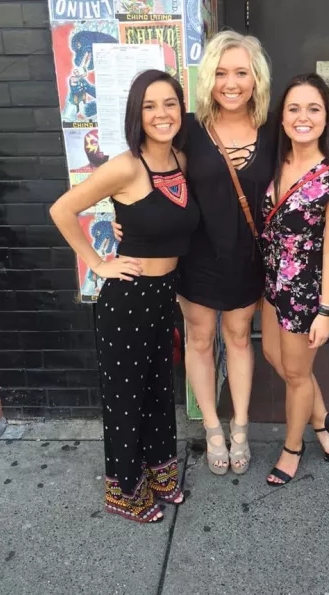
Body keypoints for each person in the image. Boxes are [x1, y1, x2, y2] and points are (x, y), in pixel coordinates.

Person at [114, 30, 273, 476]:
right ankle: (213, 429)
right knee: (200, 340)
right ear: (208, 79)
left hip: (247, 258)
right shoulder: (188, 127)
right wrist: (124, 218)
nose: (231, 83)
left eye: (241, 72)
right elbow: (144, 169)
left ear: (256, 78)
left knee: (239, 339)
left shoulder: (273, 129)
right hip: (196, 255)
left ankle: (240, 426)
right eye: (220, 73)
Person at [50, 70, 200, 522]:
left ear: (181, 109)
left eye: (169, 103)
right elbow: (62, 209)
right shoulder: (126, 166)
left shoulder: (181, 159)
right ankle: (124, 491)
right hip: (128, 299)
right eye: (149, 106)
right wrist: (98, 263)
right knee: (126, 397)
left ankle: (159, 473)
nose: (161, 114)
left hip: (163, 295)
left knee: (158, 390)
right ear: (137, 114)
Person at [261, 73, 329, 486]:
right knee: (274, 356)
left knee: (297, 375)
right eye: (294, 109)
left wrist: (326, 311)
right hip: (271, 284)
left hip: (305, 294)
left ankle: (292, 448)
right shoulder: (275, 163)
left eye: (313, 109)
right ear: (282, 118)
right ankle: (323, 419)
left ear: (326, 117)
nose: (303, 117)